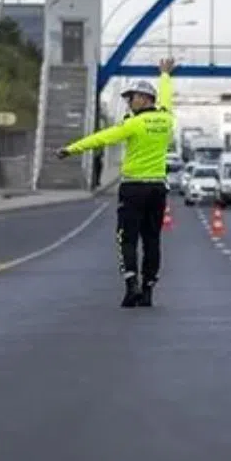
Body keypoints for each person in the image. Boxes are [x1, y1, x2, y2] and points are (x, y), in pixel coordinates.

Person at [56, 58, 177, 308]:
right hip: (157, 189)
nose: (129, 102)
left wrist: (71, 149)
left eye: (131, 97)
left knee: (127, 238)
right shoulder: (166, 119)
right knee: (152, 240)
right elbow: (166, 97)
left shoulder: (132, 124)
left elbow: (102, 138)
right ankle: (148, 290)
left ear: (144, 99)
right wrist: (165, 74)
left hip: (133, 188)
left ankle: (131, 284)